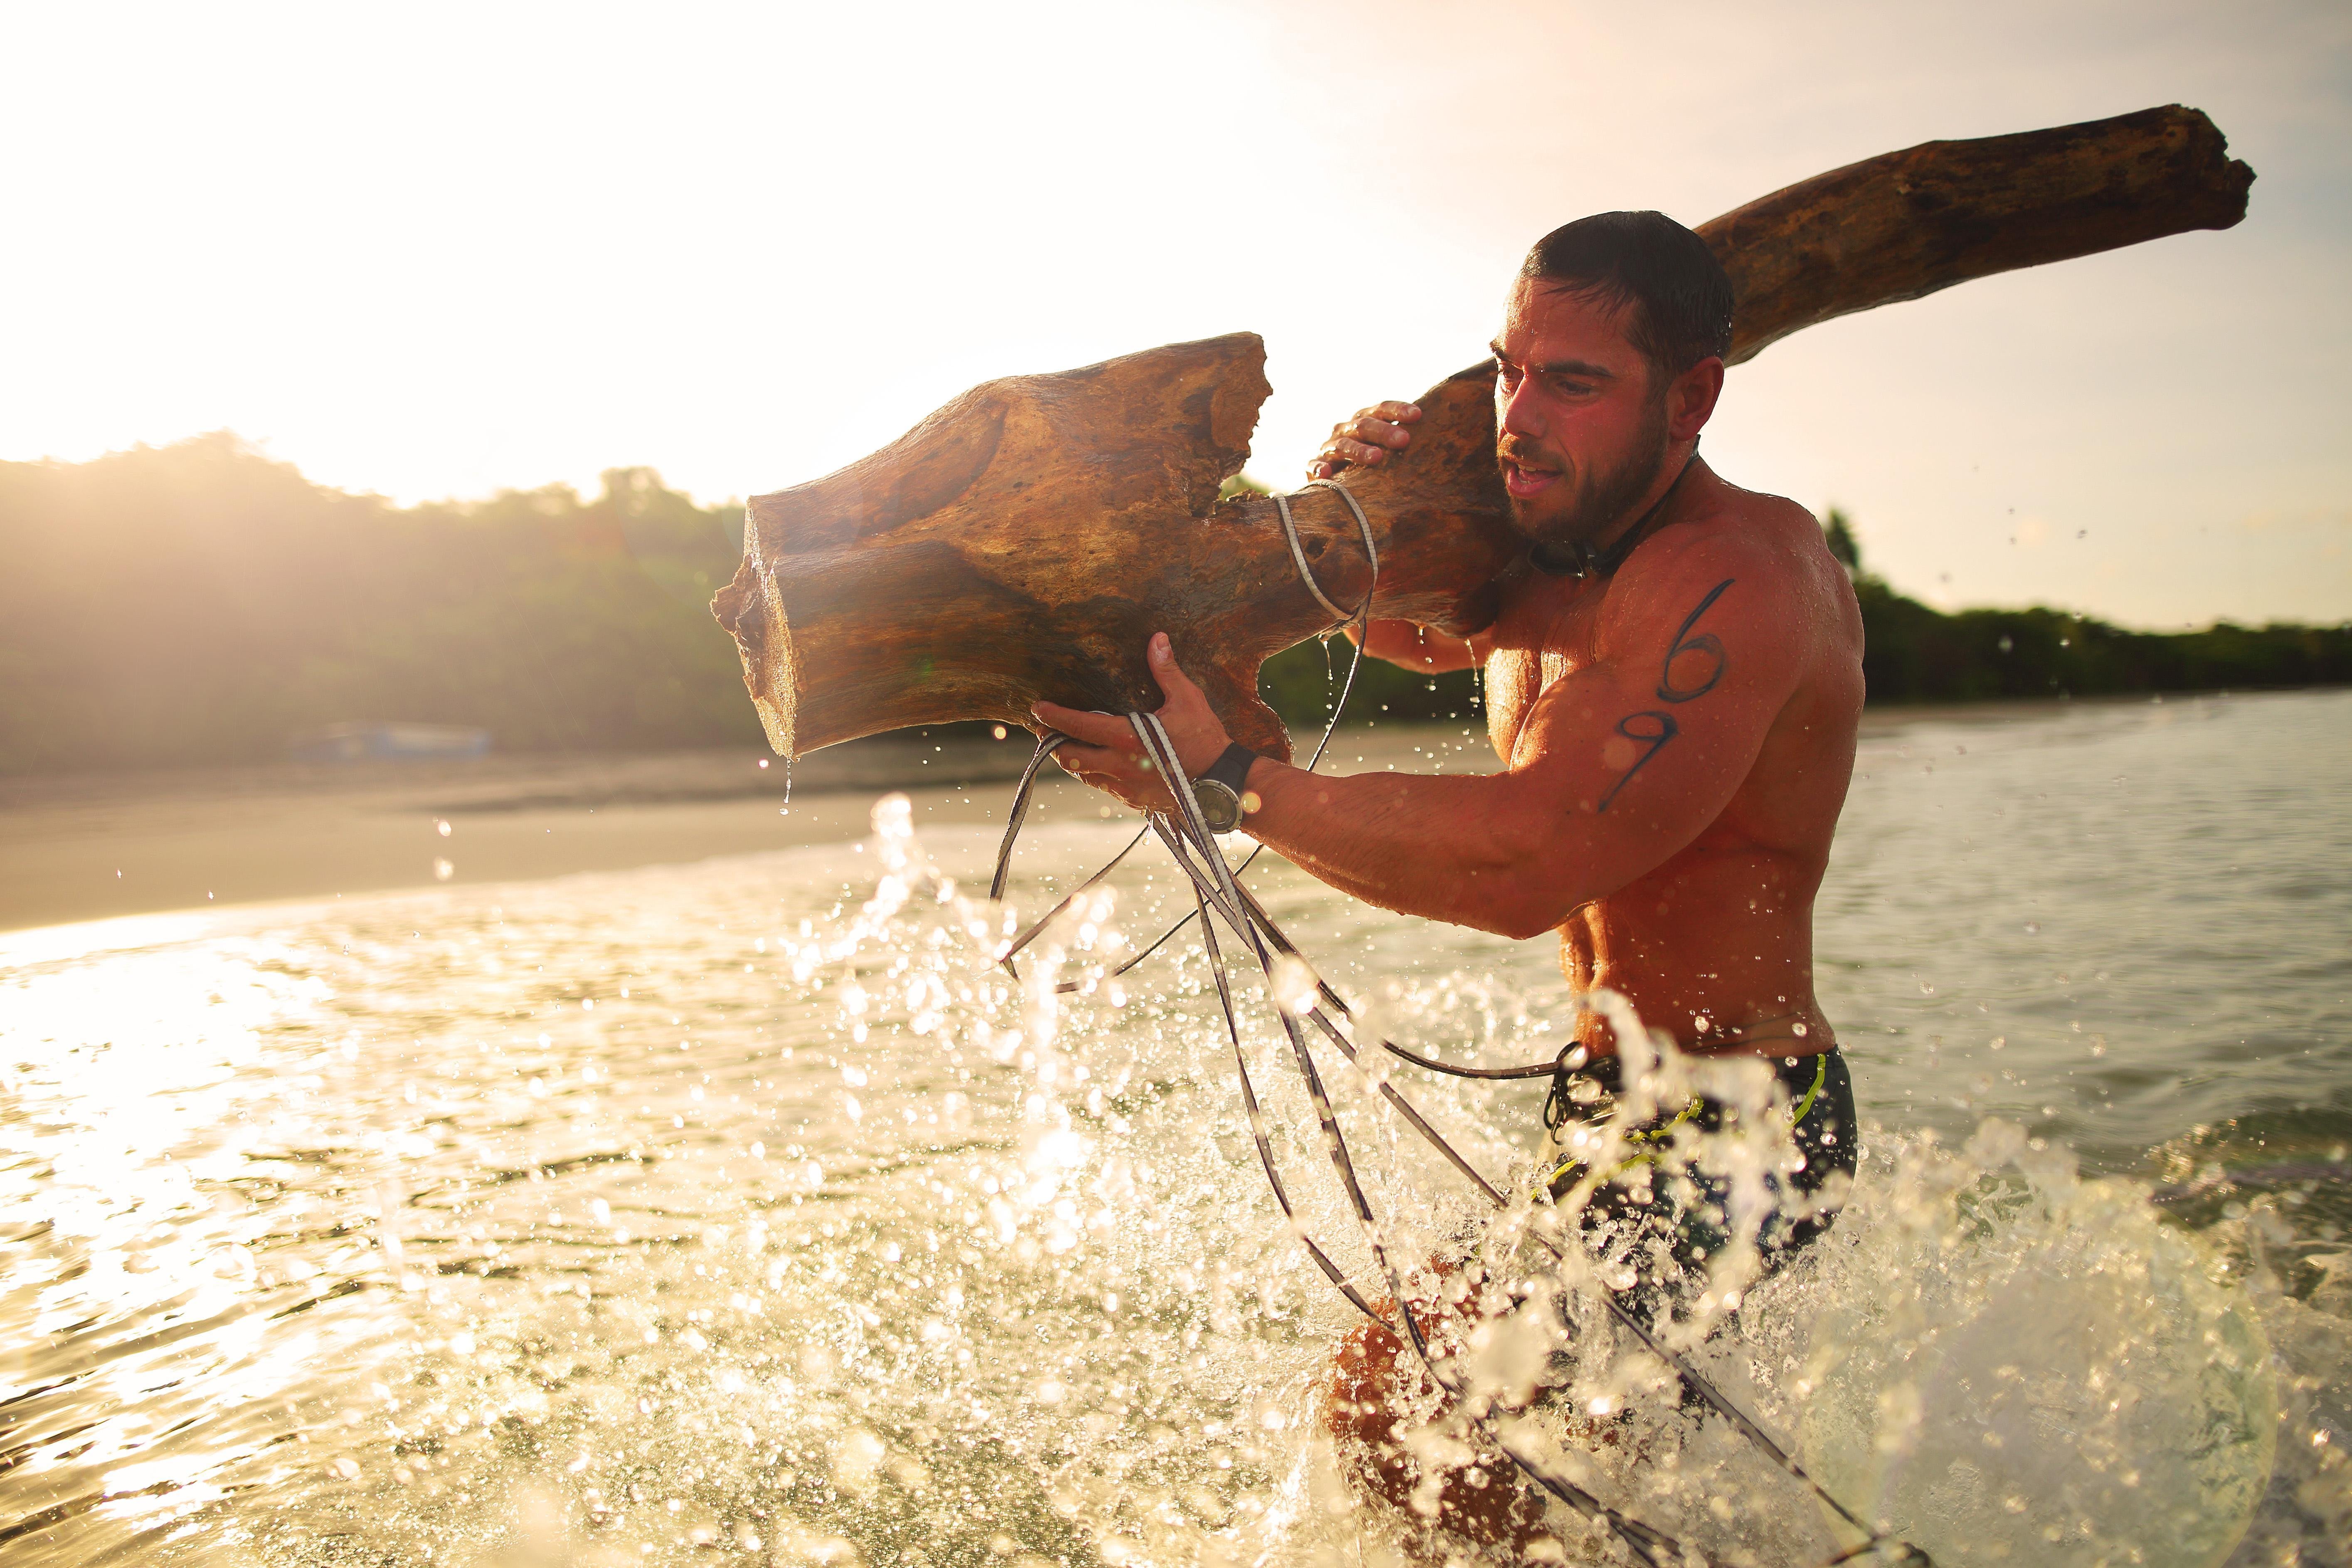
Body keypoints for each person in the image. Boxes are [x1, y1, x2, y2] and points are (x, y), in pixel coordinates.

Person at [1032, 210, 1865, 1553]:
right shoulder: (1553, 551)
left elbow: (1535, 856)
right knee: (1571, 1470)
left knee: (1405, 1400)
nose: (1516, 414)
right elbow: (1410, 624)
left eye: (1573, 383)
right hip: (1608, 1103)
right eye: (1510, 368)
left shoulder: (1739, 577)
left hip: (1738, 1122)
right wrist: (1354, 506)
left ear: (1693, 396)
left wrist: (1240, 778)